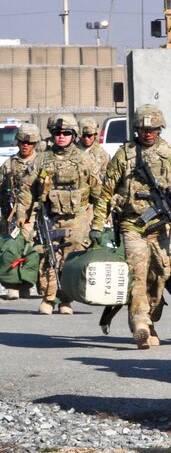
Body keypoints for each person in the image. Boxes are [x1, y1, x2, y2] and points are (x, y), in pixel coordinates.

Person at [91, 104, 171, 349]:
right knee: (137, 274)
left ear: (160, 129)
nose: (147, 133)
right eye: (142, 129)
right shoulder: (125, 155)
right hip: (133, 225)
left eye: (152, 129)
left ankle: (150, 319)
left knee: (160, 275)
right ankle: (139, 322)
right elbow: (107, 191)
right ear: (136, 129)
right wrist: (98, 224)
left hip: (162, 228)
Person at [13, 115, 100, 314]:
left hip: (77, 218)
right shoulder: (42, 159)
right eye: (57, 133)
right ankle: (49, 296)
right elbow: (26, 188)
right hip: (50, 216)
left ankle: (66, 299)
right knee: (48, 255)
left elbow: (98, 191)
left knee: (70, 257)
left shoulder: (84, 159)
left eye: (66, 133)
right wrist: (21, 214)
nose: (61, 137)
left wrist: (98, 219)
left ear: (73, 135)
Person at [1, 123, 41, 300]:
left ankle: (30, 283)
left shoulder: (42, 162)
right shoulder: (9, 164)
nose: (25, 145)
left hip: (36, 212)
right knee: (13, 247)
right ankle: (13, 284)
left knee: (34, 247)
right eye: (22, 142)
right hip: (13, 212)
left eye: (30, 142)